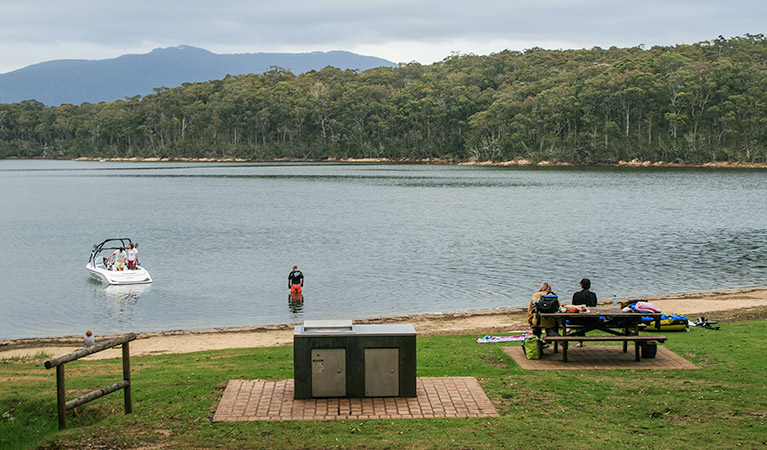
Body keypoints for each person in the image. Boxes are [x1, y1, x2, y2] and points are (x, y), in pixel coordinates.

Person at [527, 282, 560, 347]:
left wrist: (529, 320)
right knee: (551, 327)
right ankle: (547, 341)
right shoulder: (554, 296)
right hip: (552, 322)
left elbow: (530, 310)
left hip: (538, 321)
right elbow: (559, 308)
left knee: (536, 327)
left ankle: (538, 341)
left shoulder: (536, 295)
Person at [572, 278, 597, 347]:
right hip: (591, 320)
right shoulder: (593, 295)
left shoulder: (576, 295)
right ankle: (580, 342)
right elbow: (594, 306)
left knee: (577, 318)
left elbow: (574, 306)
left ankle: (580, 342)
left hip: (579, 319)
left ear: (581, 285)